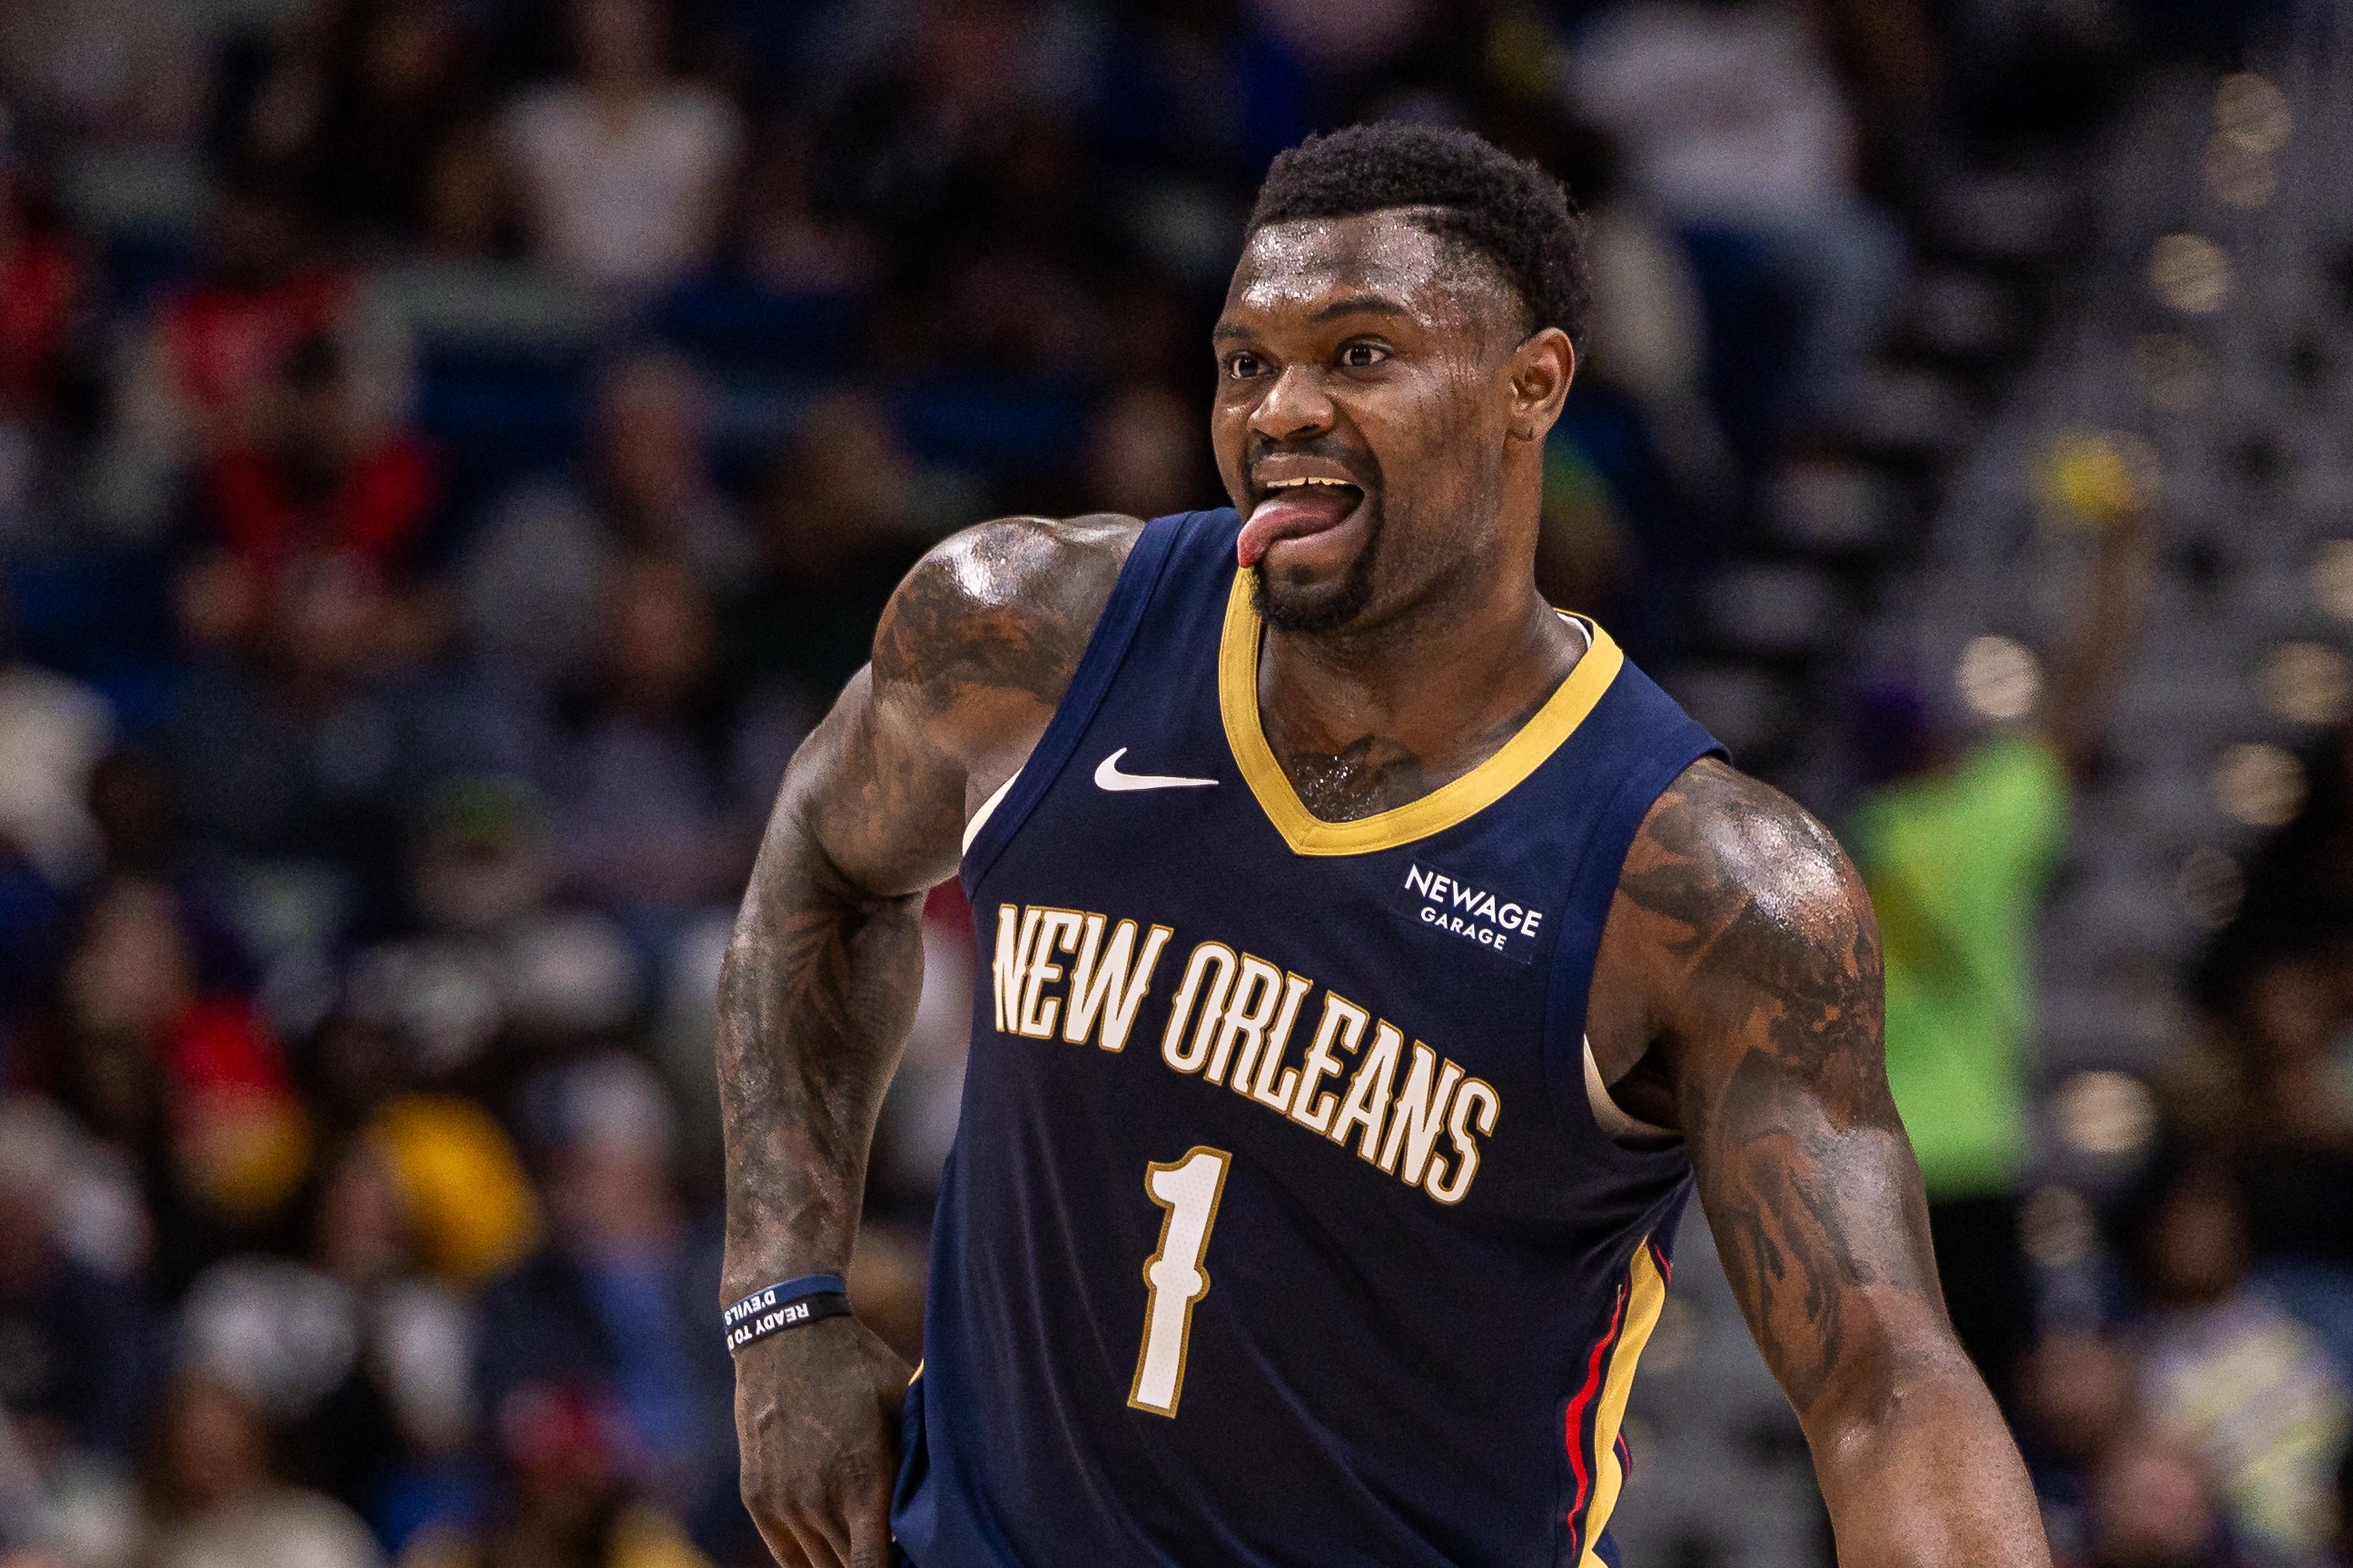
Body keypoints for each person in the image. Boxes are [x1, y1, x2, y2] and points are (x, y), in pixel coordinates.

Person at [717, 124, 2045, 1565]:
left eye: (1358, 354)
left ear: (1531, 385)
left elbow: (1883, 1388)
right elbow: (824, 862)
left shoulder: (1703, 887)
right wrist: (781, 1302)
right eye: (1243, 362)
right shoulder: (1023, 630)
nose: (1281, 408)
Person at [1850, 466, 2153, 1415]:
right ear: (1933, 744)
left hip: (1867, 1177)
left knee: (1870, 1420)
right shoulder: (1974, 824)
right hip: (1969, 1164)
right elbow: (2077, 696)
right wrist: (2121, 548)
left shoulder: (1829, 845)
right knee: (1985, 1420)